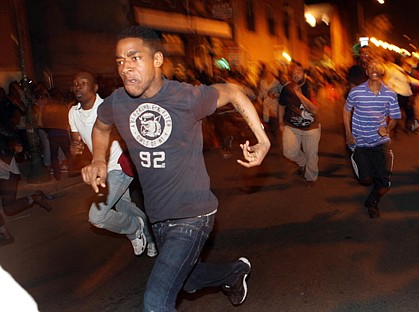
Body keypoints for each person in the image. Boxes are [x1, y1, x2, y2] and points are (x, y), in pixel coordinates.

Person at [81, 26, 270, 311]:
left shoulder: (185, 97)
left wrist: (263, 140)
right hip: (158, 215)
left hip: (194, 213)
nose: (126, 68)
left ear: (157, 60)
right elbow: (101, 127)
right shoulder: (118, 101)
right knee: (188, 280)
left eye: (134, 58)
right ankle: (233, 273)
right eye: (120, 61)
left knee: (156, 302)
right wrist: (97, 158)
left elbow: (232, 91)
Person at [69, 70, 156, 257]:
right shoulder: (73, 112)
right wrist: (75, 147)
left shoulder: (107, 107)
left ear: (95, 87)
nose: (77, 86)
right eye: (75, 83)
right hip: (101, 170)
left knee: (97, 216)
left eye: (83, 83)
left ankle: (134, 229)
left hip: (118, 166)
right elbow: (77, 140)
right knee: (125, 207)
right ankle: (149, 237)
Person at [343, 61, 401, 218]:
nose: (374, 69)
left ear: (383, 72)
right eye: (371, 67)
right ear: (367, 73)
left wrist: (387, 128)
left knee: (384, 183)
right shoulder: (356, 92)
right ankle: (360, 163)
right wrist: (348, 134)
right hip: (360, 142)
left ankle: (372, 202)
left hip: (380, 143)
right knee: (366, 179)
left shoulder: (390, 94)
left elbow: (395, 118)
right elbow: (346, 111)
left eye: (378, 67)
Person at [0, 99, 51, 244]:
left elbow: (10, 132)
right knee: (8, 208)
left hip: (5, 165)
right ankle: (6, 235)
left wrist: (15, 145)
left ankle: (35, 197)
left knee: (9, 208)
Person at [278, 61, 320, 187]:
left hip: (311, 127)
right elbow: (281, 105)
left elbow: (314, 109)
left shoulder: (312, 87)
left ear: (305, 74)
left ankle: (311, 178)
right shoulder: (286, 88)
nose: (295, 74)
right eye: (293, 72)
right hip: (291, 125)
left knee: (311, 154)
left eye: (298, 72)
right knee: (289, 152)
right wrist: (280, 122)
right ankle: (303, 163)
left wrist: (299, 94)